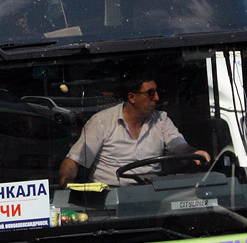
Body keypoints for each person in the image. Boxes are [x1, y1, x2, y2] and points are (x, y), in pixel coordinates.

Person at [58, 74, 210, 187]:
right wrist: (67, 184)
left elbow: (178, 146)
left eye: (156, 92)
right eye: (150, 93)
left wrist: (193, 152)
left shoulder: (162, 120)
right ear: (132, 97)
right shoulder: (101, 122)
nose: (156, 98)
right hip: (110, 198)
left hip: (152, 194)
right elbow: (74, 161)